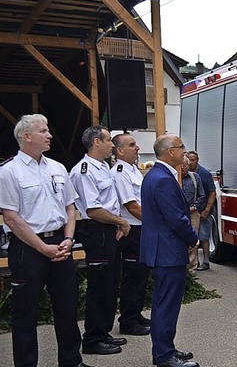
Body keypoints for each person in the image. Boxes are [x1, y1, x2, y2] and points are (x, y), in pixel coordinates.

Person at [0, 114, 91, 367]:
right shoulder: (9, 172)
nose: (49, 135)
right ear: (26, 137)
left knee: (67, 308)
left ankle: (72, 361)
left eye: (48, 130)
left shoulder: (57, 168)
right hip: (28, 249)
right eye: (43, 131)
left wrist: (69, 239)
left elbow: (70, 208)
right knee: (25, 314)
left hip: (61, 244)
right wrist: (43, 248)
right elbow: (11, 218)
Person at [70, 126, 131, 355]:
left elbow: (109, 202)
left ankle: (103, 332)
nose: (112, 145)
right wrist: (122, 222)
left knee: (110, 283)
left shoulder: (104, 167)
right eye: (108, 140)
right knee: (99, 285)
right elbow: (93, 209)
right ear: (96, 142)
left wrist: (116, 223)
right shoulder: (84, 171)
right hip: (96, 230)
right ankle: (93, 339)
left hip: (109, 228)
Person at [140, 135, 199, 367]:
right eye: (182, 147)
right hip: (167, 250)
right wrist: (192, 238)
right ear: (170, 152)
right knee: (167, 305)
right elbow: (176, 218)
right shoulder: (163, 178)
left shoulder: (156, 175)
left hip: (163, 249)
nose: (185, 152)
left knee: (163, 302)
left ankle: (165, 349)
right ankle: (165, 356)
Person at [111, 134, 151, 336]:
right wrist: (155, 223)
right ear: (119, 150)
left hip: (141, 228)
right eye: (132, 145)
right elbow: (132, 206)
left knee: (141, 275)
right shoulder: (119, 172)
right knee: (132, 277)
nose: (137, 148)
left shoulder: (133, 169)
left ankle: (135, 314)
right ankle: (128, 321)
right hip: (132, 229)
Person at [186, 151, 216, 271]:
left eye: (193, 160)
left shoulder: (204, 173)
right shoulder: (183, 173)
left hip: (203, 210)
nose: (191, 162)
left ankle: (206, 261)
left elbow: (212, 192)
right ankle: (193, 262)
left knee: (204, 236)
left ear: (197, 160)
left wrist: (206, 211)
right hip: (190, 211)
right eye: (189, 160)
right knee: (192, 237)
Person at [180, 156, 206, 271]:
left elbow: (202, 195)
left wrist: (194, 207)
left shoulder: (195, 177)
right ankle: (181, 266)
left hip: (193, 213)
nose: (183, 168)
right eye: (180, 166)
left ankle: (192, 269)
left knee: (193, 240)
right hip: (178, 212)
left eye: (185, 166)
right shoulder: (173, 178)